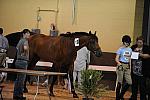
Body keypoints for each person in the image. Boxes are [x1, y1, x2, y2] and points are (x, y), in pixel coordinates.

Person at [13, 29, 30, 100]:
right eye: (28, 33)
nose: (29, 35)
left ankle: (15, 94)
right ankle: (19, 95)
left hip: (18, 61)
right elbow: (25, 48)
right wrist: (26, 51)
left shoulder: (20, 41)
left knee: (18, 79)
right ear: (24, 34)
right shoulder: (25, 41)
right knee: (21, 80)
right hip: (23, 62)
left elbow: (17, 49)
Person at [115, 35, 132, 100]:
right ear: (123, 42)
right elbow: (116, 59)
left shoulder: (130, 49)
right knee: (120, 81)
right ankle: (117, 97)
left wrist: (130, 67)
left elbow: (129, 59)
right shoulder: (120, 49)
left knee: (129, 82)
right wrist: (119, 64)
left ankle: (121, 95)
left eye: (128, 42)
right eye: (126, 42)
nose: (127, 43)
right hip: (121, 65)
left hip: (127, 66)